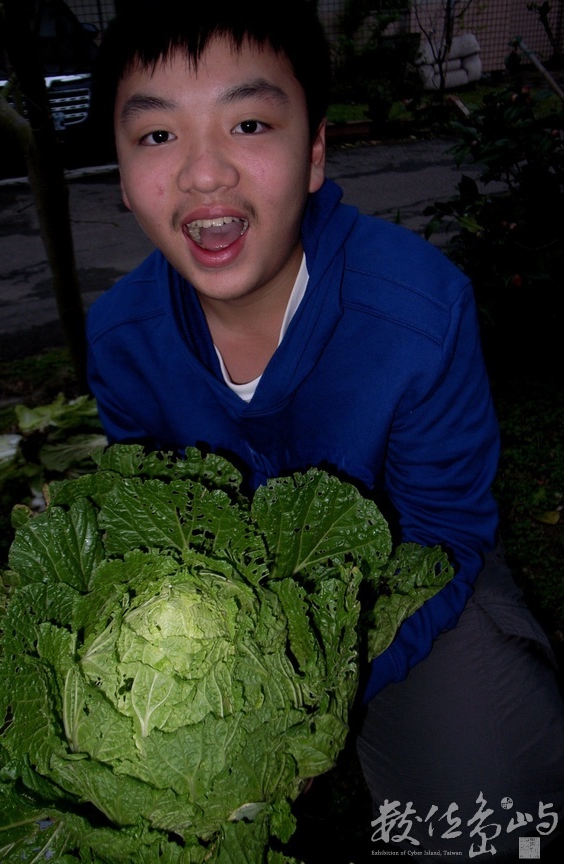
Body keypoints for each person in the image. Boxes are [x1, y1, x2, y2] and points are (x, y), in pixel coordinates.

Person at [86, 1, 564, 859]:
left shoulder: (419, 312)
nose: (203, 173)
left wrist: (313, 695)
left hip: (406, 600)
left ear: (312, 154)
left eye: (249, 122)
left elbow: (445, 534)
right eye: (157, 137)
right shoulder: (121, 343)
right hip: (224, 625)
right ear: (120, 176)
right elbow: (145, 529)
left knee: (492, 810)